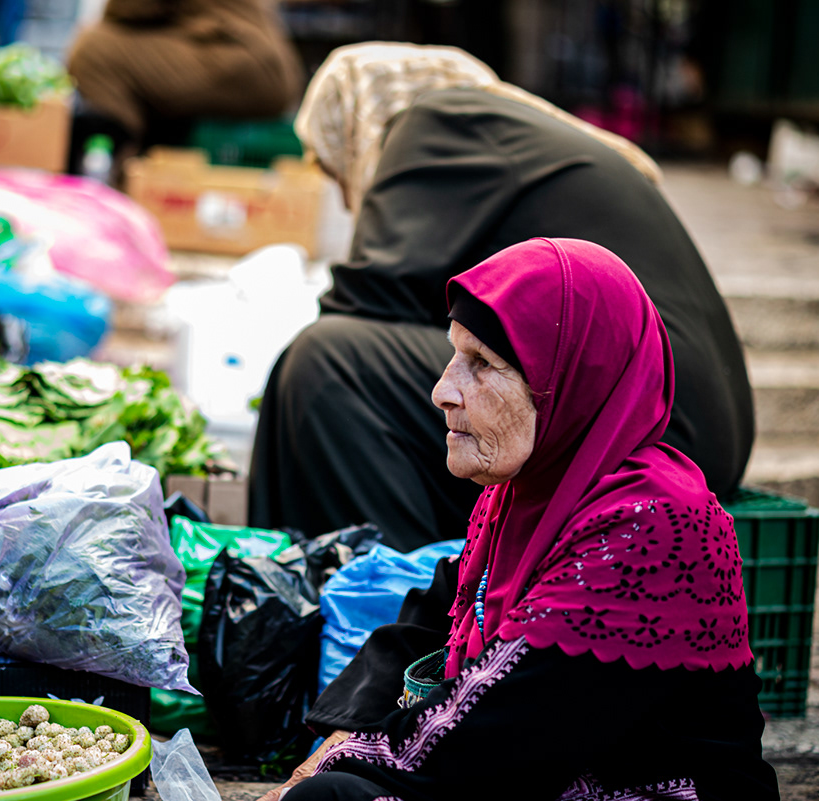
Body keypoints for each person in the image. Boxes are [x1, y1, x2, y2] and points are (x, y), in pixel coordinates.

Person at [257, 237, 779, 801]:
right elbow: (439, 615)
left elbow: (493, 732)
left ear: (575, 380)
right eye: (456, 355)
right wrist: (338, 735)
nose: (442, 391)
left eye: (483, 365)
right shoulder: (530, 489)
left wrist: (334, 763)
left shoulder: (652, 523)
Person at [247, 43, 754, 552]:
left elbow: (367, 295)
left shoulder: (438, 119)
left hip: (651, 425)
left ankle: (393, 594)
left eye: (337, 169)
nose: (346, 193)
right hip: (685, 423)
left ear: (359, 124)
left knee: (330, 361)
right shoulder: (493, 135)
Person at [63, 0, 303, 171]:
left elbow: (131, 7)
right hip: (263, 64)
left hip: (237, 59)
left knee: (94, 50)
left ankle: (114, 169)